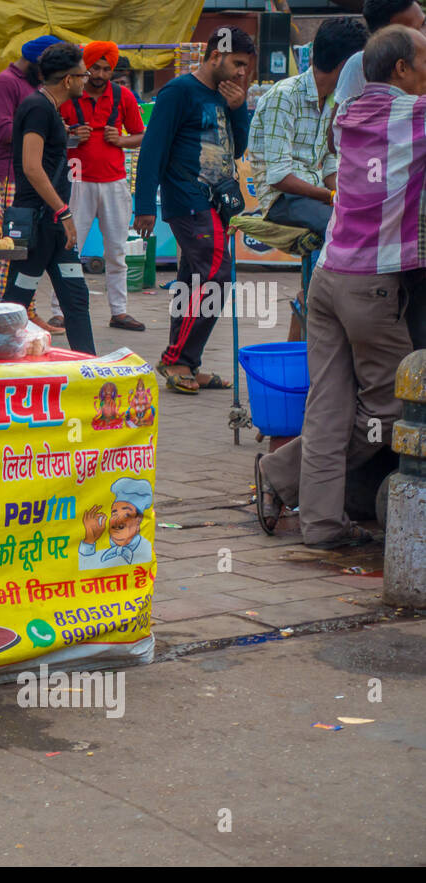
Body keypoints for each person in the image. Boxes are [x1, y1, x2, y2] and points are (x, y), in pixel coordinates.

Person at [256, 25, 426, 548]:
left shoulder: (346, 115)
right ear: (400, 68)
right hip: (369, 284)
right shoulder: (415, 115)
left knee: (327, 405)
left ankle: (323, 525)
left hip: (328, 277)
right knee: (395, 405)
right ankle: (282, 474)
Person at [134, 26, 255, 395]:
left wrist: (239, 109)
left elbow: (237, 150)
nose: (241, 74)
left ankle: (188, 363)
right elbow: (152, 149)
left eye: (247, 67)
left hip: (217, 201)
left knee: (193, 282)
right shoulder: (177, 92)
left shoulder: (228, 96)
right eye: (237, 63)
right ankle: (176, 359)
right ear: (215, 56)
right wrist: (144, 205)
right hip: (188, 200)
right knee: (218, 275)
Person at [0, 42, 95, 354]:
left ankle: (88, 366)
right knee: (16, 303)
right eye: (84, 74)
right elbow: (31, 165)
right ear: (68, 80)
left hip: (53, 225)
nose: (87, 78)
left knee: (76, 298)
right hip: (39, 224)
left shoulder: (48, 108)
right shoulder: (38, 108)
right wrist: (64, 213)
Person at [48, 40, 146, 333]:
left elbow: (141, 135)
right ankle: (59, 311)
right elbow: (51, 136)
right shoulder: (66, 96)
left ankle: (120, 311)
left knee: (116, 250)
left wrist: (122, 140)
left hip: (114, 182)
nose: (101, 74)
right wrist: (69, 133)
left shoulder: (123, 96)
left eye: (106, 69)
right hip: (76, 181)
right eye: (95, 68)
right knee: (69, 248)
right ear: (84, 69)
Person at [248, 17, 367, 241]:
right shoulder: (284, 96)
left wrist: (344, 195)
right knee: (343, 228)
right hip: (282, 200)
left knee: (364, 218)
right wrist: (332, 196)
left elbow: (330, 168)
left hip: (315, 195)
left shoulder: (334, 100)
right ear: (345, 66)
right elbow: (279, 177)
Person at [0, 34, 56, 320]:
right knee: (9, 247)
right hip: (9, 176)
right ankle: (2, 313)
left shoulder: (32, 85)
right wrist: (40, 128)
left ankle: (25, 311)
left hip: (31, 173)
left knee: (27, 247)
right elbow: (2, 133)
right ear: (34, 63)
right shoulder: (3, 83)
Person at [333, 0, 425, 108]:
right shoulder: (359, 64)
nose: (423, 35)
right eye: (412, 32)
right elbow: (340, 121)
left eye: (424, 23)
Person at [78, 478, 153, 570]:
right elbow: (83, 574)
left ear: (139, 520)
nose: (117, 522)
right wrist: (89, 540)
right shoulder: (102, 549)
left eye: (126, 515)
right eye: (114, 513)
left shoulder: (145, 550)